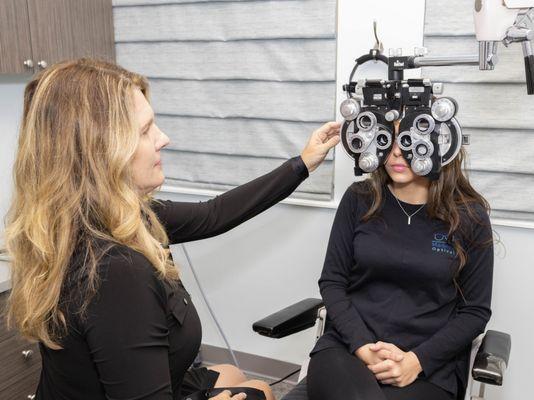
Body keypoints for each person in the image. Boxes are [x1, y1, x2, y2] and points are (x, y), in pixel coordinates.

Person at [4, 58, 341, 400]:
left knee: (233, 372)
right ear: (103, 151)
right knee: (260, 391)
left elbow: (213, 215)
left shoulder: (100, 219)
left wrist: (303, 164)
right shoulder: (116, 271)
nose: (164, 138)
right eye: (146, 129)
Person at [306, 120, 494, 400]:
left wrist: (415, 362)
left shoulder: (470, 216)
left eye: (408, 140)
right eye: (387, 141)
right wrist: (362, 347)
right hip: (348, 349)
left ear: (441, 144)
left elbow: (474, 312)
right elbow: (333, 282)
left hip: (427, 365)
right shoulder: (359, 199)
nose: (396, 153)